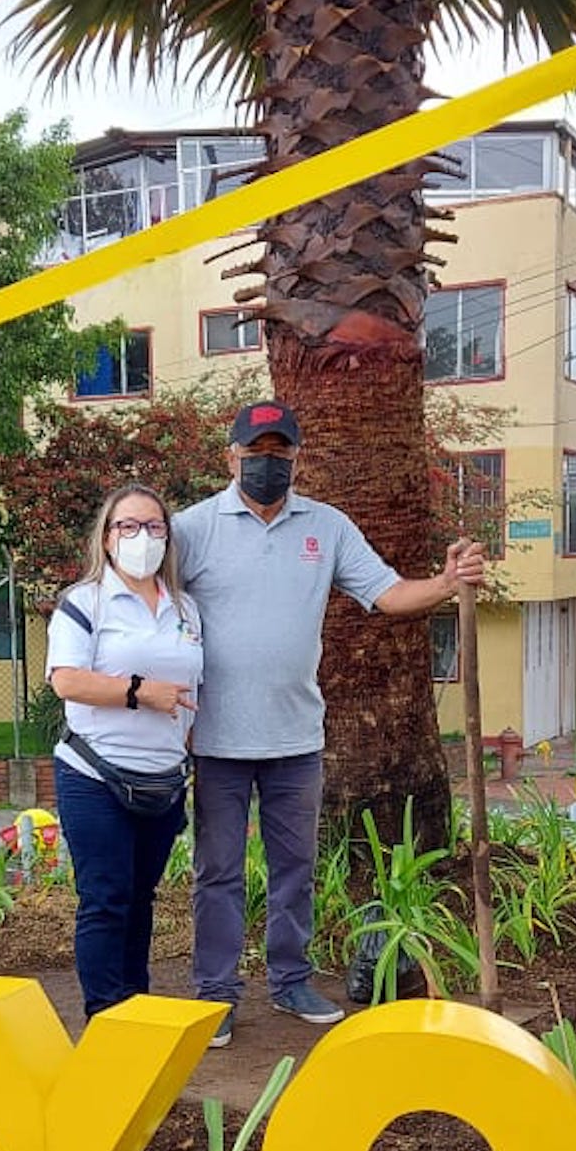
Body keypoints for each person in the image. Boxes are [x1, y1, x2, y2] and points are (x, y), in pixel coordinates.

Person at [173, 401, 487, 1047]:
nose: (268, 463)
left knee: (295, 867)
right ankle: (216, 994)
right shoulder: (191, 529)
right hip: (217, 739)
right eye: (255, 452)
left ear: (296, 457)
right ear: (230, 457)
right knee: (219, 872)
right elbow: (145, 607)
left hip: (296, 738)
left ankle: (290, 980)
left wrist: (448, 581)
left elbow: (390, 594)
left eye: (280, 452)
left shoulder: (327, 526)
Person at [46, 483, 203, 1017]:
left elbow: (192, 694)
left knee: (141, 900)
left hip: (161, 780)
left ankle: (135, 1010)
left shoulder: (186, 609)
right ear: (108, 539)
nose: (142, 537)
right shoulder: (84, 601)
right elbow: (66, 681)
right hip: (95, 777)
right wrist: (140, 692)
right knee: (106, 900)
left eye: (154, 526)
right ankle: (105, 1015)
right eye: (128, 527)